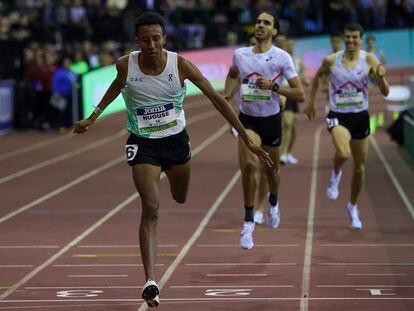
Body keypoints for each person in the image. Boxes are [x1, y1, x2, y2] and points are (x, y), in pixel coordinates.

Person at [73, 11, 272, 308]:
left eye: (156, 39)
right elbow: (117, 85)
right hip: (143, 144)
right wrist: (93, 116)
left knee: (179, 197)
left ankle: (173, 186)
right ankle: (150, 281)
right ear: (137, 41)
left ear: (164, 39)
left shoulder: (181, 65)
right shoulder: (126, 65)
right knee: (150, 207)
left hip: (177, 143)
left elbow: (217, 100)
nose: (151, 45)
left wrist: (245, 137)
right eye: (145, 40)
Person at [224, 12, 305, 249]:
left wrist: (274, 87)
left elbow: (299, 94)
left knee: (272, 174)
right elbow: (232, 74)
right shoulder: (240, 54)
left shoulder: (282, 57)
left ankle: (274, 200)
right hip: (248, 120)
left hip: (271, 121)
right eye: (258, 22)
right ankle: (248, 222)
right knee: (249, 166)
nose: (260, 25)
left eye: (266, 23)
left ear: (274, 31)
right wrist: (229, 94)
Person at [304, 23, 389, 229]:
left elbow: (385, 91)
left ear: (361, 39)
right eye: (348, 38)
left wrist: (381, 76)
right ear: (344, 39)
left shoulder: (368, 59)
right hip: (337, 115)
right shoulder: (331, 60)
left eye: (355, 38)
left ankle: (352, 206)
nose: (351, 41)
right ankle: (335, 175)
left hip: (360, 116)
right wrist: (311, 102)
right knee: (343, 153)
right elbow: (316, 79)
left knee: (360, 169)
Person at [279, 37, 310, 165]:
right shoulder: (280, 60)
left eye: (292, 44)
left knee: (293, 127)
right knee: (287, 123)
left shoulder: (298, 62)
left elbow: (305, 79)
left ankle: (288, 153)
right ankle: (282, 154)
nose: (290, 47)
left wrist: (304, 78)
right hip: (283, 93)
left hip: (294, 95)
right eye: (288, 44)